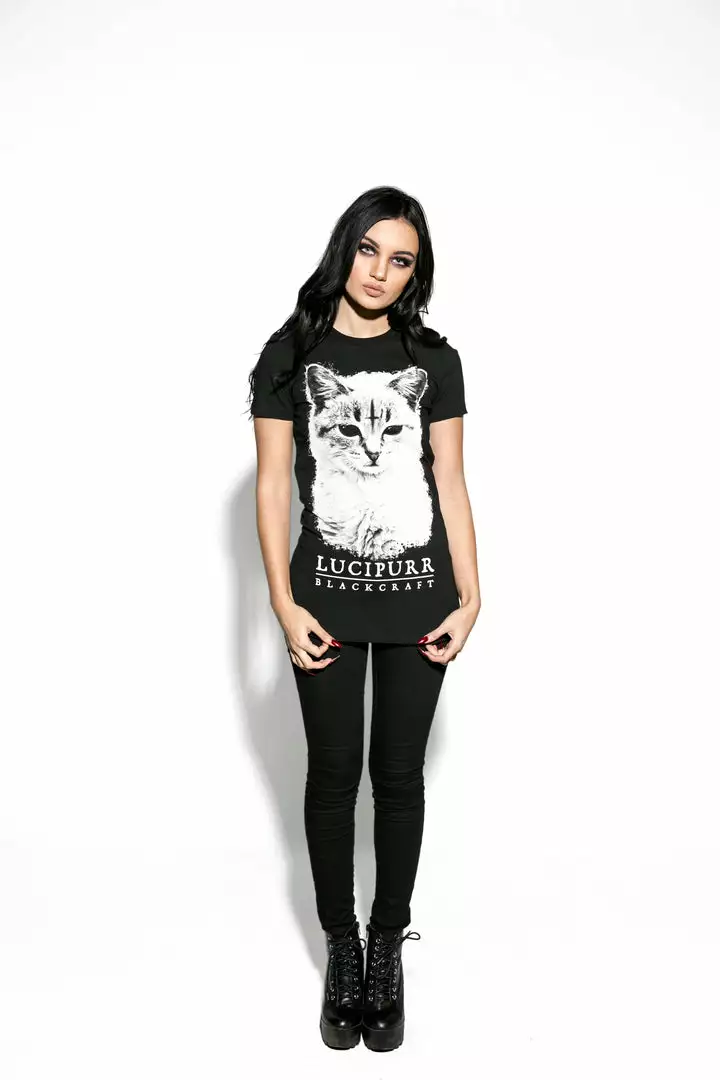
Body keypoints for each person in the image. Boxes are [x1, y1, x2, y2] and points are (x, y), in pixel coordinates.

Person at [247, 185, 481, 1052]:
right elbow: (274, 488)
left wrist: (472, 595)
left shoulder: (434, 360)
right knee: (332, 777)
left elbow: (449, 480)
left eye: (402, 259)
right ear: (344, 249)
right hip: (324, 600)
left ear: (416, 272)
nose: (381, 271)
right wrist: (283, 601)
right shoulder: (289, 355)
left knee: (400, 778)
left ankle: (387, 950)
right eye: (369, 250)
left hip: (421, 594)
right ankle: (340, 951)